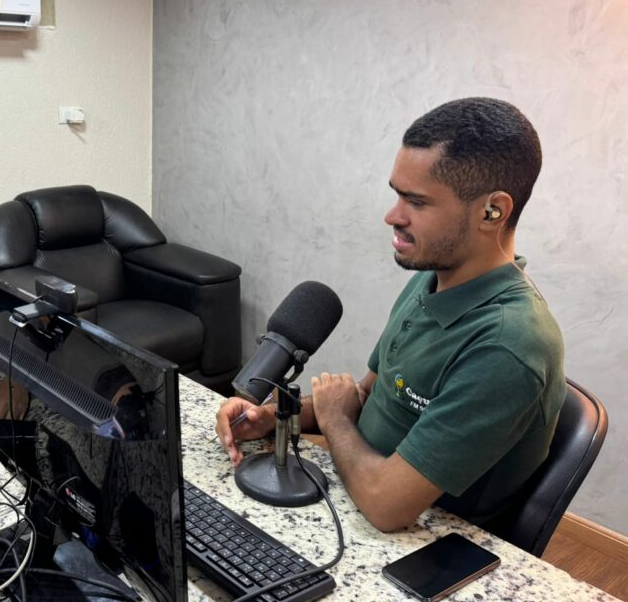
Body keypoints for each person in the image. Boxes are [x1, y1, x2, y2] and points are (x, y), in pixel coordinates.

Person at [215, 97, 565, 531]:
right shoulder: (433, 279)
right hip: (355, 490)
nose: (392, 216)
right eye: (397, 194)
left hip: (427, 541)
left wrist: (335, 420)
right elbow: (366, 397)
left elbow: (386, 507)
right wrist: (271, 418)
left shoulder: (508, 345)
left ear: (492, 212)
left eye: (416, 202)